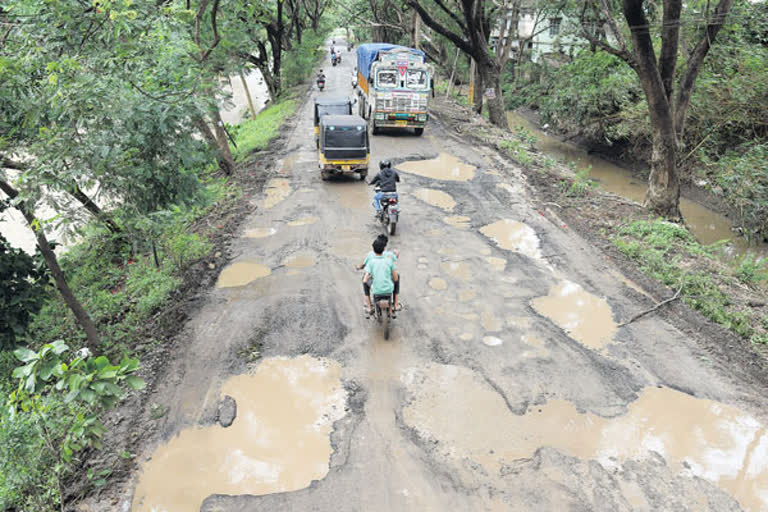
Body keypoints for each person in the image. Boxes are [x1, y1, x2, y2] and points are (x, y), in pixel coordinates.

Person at [357, 234, 400, 316]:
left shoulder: (371, 259)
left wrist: (369, 276)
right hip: (389, 289)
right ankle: (396, 304)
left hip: (376, 289)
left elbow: (365, 279)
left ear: (373, 248)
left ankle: (369, 306)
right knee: (397, 277)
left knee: (364, 281)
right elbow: (395, 278)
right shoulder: (389, 258)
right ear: (384, 247)